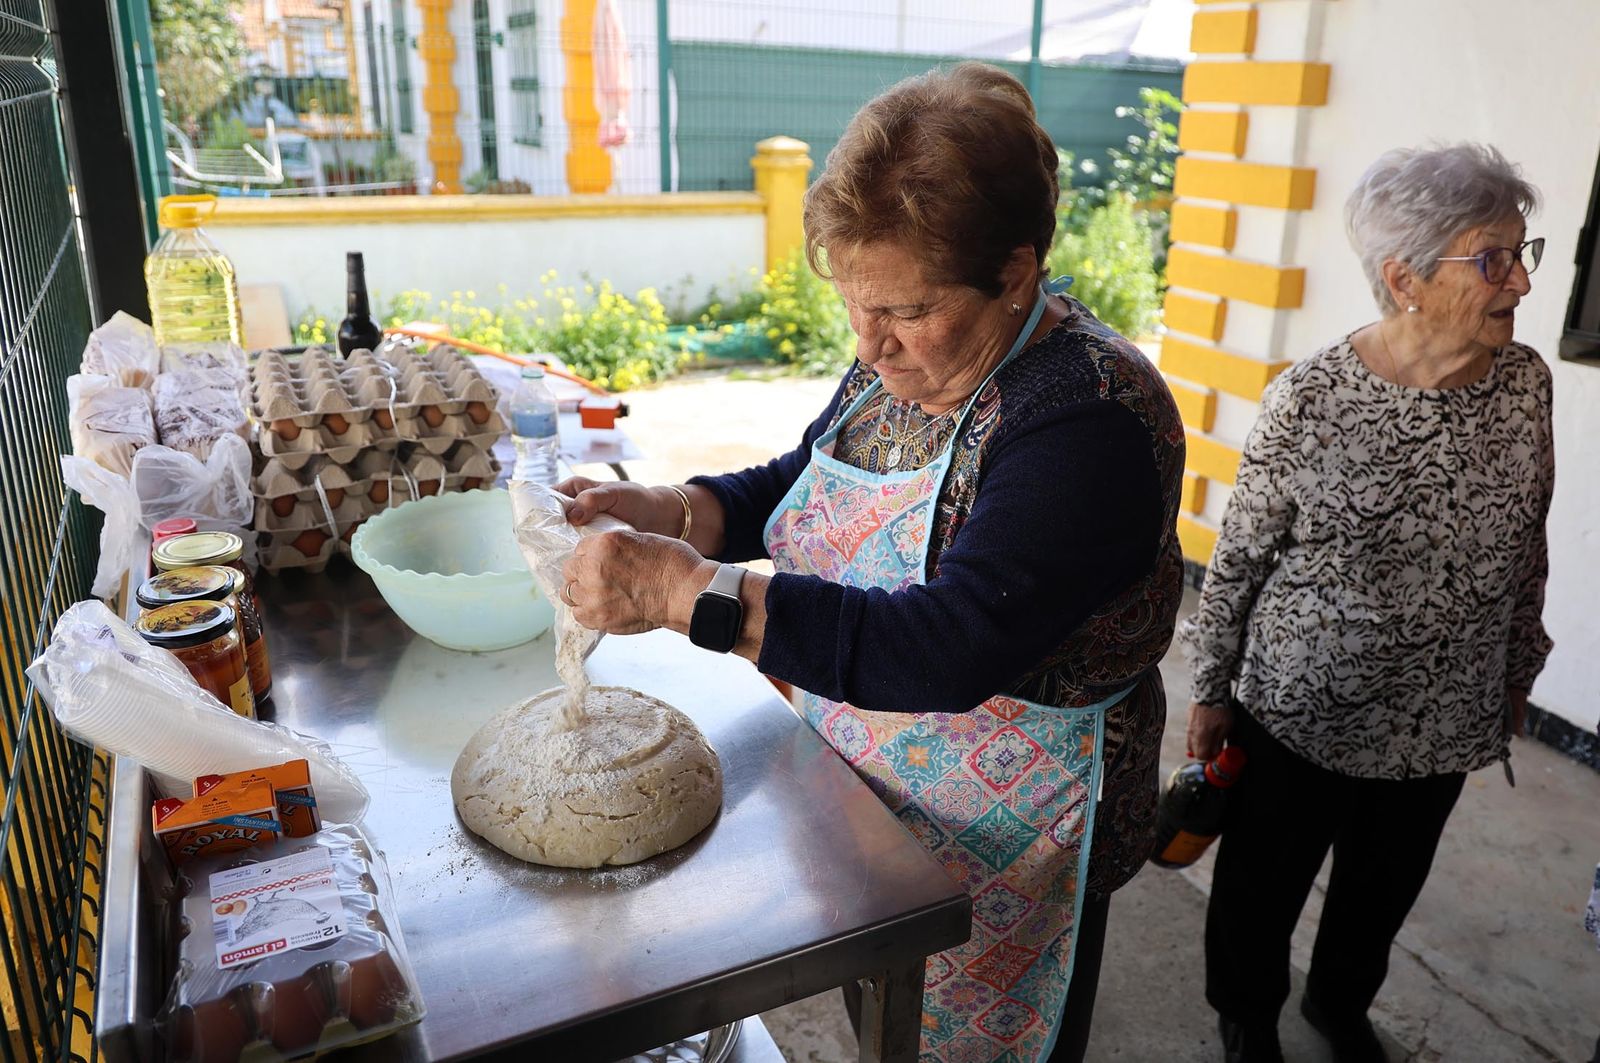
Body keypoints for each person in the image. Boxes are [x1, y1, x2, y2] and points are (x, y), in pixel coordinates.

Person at [553, 62, 1184, 1063]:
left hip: (1022, 819)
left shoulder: (1084, 418)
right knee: (886, 1012)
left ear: (1017, 273)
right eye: (856, 307)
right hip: (869, 768)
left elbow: (946, 647)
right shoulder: (914, 355)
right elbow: (806, 477)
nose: (870, 346)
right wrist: (680, 508)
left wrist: (683, 591)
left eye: (904, 311)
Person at [1180, 143, 1554, 1063]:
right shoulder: (1311, 398)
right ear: (1404, 278)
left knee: (1383, 887)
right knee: (1263, 882)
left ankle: (1338, 1005)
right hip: (1303, 708)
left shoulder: (1525, 385)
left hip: (1444, 710)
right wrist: (1212, 688)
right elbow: (1240, 557)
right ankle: (1247, 1013)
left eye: (1521, 253)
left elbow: (1528, 540)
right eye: (1493, 259)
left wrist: (1517, 668)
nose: (1520, 282)